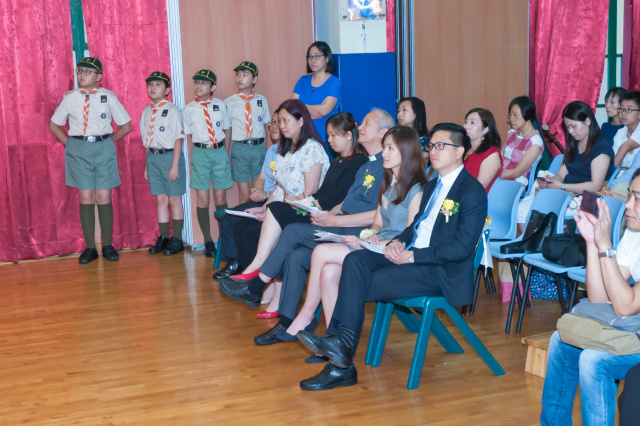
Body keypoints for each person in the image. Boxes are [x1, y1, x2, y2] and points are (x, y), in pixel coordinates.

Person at [295, 123, 487, 390]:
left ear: (459, 151)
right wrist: (398, 242)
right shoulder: (434, 184)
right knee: (355, 260)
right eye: (432, 145)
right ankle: (339, 351)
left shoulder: (472, 191)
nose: (433, 151)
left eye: (441, 146)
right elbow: (415, 228)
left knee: (355, 281)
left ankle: (340, 361)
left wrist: (412, 256)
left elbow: (462, 248)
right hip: (410, 255)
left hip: (437, 269)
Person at [217, 108, 395, 343]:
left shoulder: (388, 167)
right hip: (340, 224)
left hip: (357, 232)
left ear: (383, 132)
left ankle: (257, 285)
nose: (359, 127)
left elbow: (379, 215)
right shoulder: (367, 165)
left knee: (292, 231)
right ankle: (287, 322)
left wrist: (333, 219)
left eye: (367, 123)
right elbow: (346, 202)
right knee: (296, 256)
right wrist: (327, 214)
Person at [284, 126, 425, 361]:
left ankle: (308, 316)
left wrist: (371, 242)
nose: (384, 153)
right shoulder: (389, 183)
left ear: (407, 151)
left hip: (394, 252)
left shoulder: (416, 189)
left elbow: (411, 236)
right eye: (384, 147)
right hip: (377, 245)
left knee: (320, 252)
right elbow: (378, 223)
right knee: (329, 273)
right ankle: (334, 341)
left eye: (390, 148)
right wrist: (370, 237)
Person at [540, 169, 640, 426]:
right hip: (634, 328)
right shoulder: (634, 233)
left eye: (637, 198)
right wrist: (593, 242)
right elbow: (599, 297)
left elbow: (625, 306)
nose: (628, 204)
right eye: (630, 195)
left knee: (594, 360)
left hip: (634, 329)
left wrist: (605, 246)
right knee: (561, 340)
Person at [229, 112, 366, 287]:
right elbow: (322, 193)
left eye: (333, 135)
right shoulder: (339, 160)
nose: (330, 140)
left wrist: (311, 204)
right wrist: (301, 200)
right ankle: (262, 277)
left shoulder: (358, 161)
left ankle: (258, 265)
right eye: (328, 135)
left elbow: (340, 197)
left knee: (277, 209)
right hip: (316, 210)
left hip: (327, 217)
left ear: (348, 135)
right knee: (271, 211)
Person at [49, 57, 132, 264]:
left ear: (99, 76)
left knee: (104, 196)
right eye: (79, 71)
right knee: (86, 197)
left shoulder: (108, 97)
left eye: (87, 72)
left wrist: (108, 142)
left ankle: (107, 245)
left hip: (103, 148)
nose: (82, 75)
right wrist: (69, 144)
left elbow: (126, 126)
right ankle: (89, 247)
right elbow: (54, 125)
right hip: (79, 149)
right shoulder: (70, 98)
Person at [213, 109, 282, 280]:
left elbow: (284, 188)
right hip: (264, 198)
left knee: (241, 222)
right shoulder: (272, 150)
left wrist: (265, 193)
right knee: (228, 217)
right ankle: (234, 262)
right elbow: (261, 177)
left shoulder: (290, 152)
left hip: (278, 202)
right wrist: (256, 190)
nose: (273, 126)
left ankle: (243, 265)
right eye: (272, 122)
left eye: (278, 122)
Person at [183, 69, 231, 258]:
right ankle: (208, 241)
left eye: (203, 83)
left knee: (220, 198)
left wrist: (226, 154)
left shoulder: (221, 105)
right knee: (202, 199)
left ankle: (224, 240)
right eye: (196, 82)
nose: (198, 86)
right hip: (200, 153)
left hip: (219, 152)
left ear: (213, 87)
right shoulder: (188, 109)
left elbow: (227, 130)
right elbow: (189, 135)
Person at [140, 72, 186, 255]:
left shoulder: (172, 110)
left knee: (174, 199)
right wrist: (146, 165)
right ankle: (164, 237)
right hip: (153, 157)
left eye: (158, 84)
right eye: (150, 84)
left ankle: (177, 239)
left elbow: (178, 139)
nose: (153, 88)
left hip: (169, 157)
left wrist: (174, 165)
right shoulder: (146, 111)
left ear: (167, 90)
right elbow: (147, 141)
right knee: (160, 199)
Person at [226, 62, 271, 204]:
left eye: (245, 75)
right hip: (240, 148)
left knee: (259, 192)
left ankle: (259, 218)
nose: (240, 78)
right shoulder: (229, 102)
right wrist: (226, 155)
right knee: (244, 195)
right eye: (238, 75)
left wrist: (267, 151)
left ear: (254, 79)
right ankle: (244, 217)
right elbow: (228, 130)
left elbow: (267, 128)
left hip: (259, 148)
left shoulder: (262, 101)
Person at [293, 41, 342, 157]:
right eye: (310, 57)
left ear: (327, 58)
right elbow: (292, 108)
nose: (313, 60)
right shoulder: (303, 81)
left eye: (317, 56)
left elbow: (323, 111)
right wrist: (314, 110)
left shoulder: (334, 83)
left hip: (326, 139)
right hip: (303, 137)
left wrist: (302, 108)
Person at [501, 96, 543, 188]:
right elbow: (500, 158)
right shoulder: (512, 133)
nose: (511, 118)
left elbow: (517, 172)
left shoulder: (535, 142)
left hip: (516, 183)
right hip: (501, 177)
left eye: (516, 115)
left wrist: (494, 176)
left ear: (527, 115)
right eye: (510, 115)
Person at [463, 108, 502, 193]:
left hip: (473, 198)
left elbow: (477, 189)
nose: (466, 126)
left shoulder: (491, 154)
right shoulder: (462, 149)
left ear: (485, 130)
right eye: (466, 122)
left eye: (472, 123)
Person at [612, 90, 640, 169]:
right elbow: (615, 164)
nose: (623, 113)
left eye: (629, 109)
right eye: (621, 109)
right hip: (623, 175)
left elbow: (625, 147)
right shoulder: (620, 133)